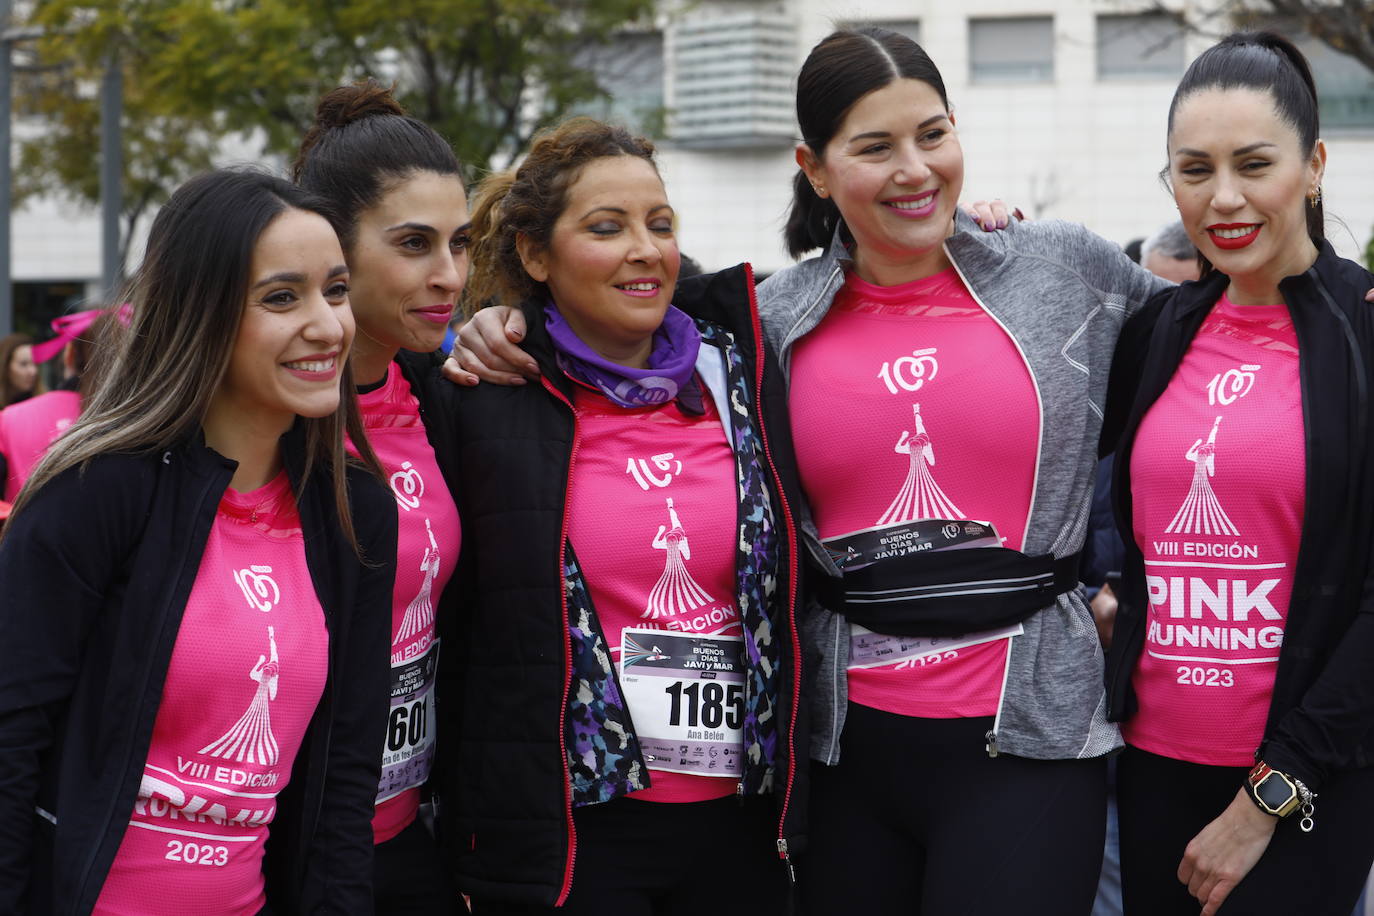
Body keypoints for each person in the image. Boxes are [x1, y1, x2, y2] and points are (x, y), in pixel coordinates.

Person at [0, 169, 397, 914]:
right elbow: (10, 745)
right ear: (200, 313)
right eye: (283, 297)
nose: (328, 325)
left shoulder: (356, 511)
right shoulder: (95, 493)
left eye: (336, 291)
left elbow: (344, 779)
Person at [439, 117, 803, 914]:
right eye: (608, 228)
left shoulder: (743, 372)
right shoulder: (486, 393)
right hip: (574, 835)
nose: (646, 249)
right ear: (536, 255)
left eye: (660, 224)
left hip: (744, 826)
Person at [1105, 32, 1374, 916]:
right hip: (1149, 770)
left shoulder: (1363, 334)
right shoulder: (1156, 333)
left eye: (1254, 164)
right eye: (1194, 169)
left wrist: (1272, 793)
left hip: (1303, 785)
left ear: (1315, 164)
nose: (1223, 198)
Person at [293, 80, 466, 915]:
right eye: (414, 244)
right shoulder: (269, 423)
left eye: (460, 244)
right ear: (335, 250)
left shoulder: (442, 393)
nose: (448, 275)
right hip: (291, 852)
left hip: (411, 839)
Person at [0, 308, 121, 505]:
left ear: (69, 355)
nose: (31, 371)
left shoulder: (9, 419)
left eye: (33, 365)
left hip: (24, 530)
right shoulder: (135, 421)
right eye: (23, 364)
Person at [0, 333, 43, 407]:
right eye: (24, 364)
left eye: (35, 364)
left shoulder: (43, 403)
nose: (33, 371)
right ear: (6, 368)